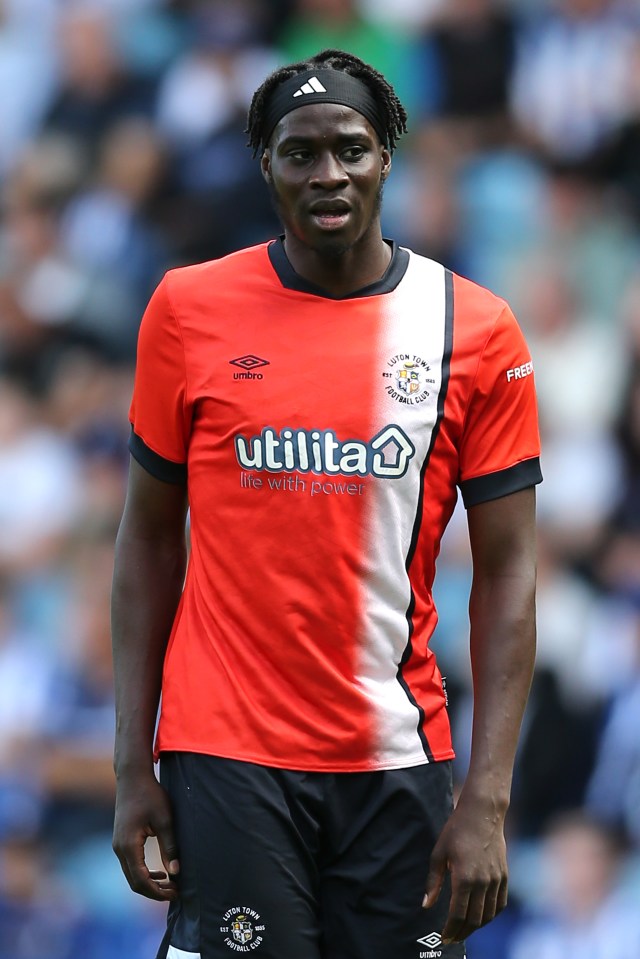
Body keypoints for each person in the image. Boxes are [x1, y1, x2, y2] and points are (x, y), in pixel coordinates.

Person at [111, 48, 541, 959]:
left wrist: (487, 798)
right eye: (299, 153)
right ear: (265, 165)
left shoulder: (474, 328)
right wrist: (130, 766)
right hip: (227, 753)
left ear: (388, 154)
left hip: (397, 756)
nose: (328, 173)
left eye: (350, 147)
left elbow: (508, 570)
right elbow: (147, 541)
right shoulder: (188, 310)